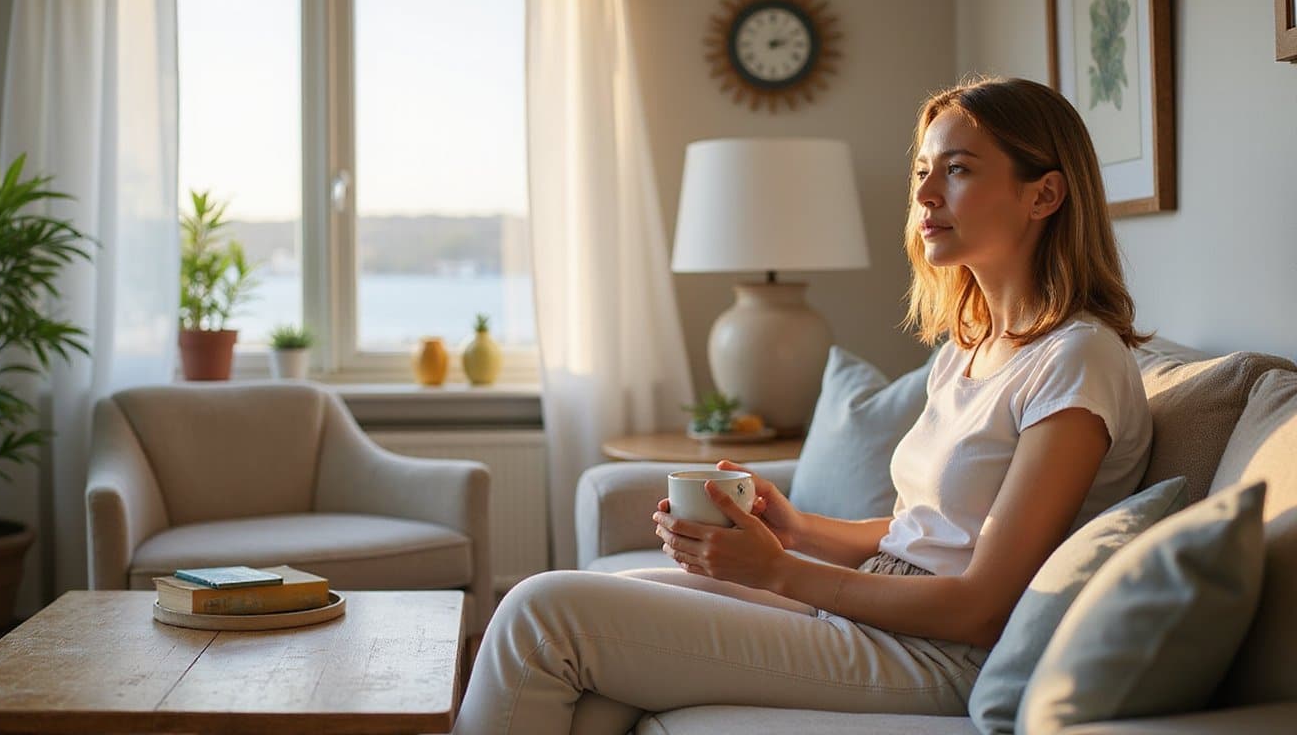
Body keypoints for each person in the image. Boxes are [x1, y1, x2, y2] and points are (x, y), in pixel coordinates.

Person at [451, 76, 1153, 735]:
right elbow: (932, 532)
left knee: (543, 614)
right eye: (923, 173)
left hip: (943, 655)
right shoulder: (969, 348)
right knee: (588, 639)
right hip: (885, 610)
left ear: (1045, 194)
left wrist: (776, 571)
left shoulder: (1076, 360)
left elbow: (980, 605)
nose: (926, 194)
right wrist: (794, 529)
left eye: (959, 169)